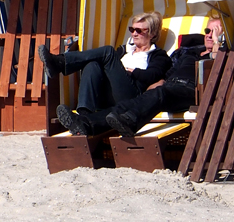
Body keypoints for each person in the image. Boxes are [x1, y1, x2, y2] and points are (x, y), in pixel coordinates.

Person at [54, 18, 225, 139]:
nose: (210, 35)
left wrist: (219, 43)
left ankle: (131, 122)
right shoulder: (187, 52)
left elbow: (219, 66)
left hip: (192, 90)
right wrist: (159, 83)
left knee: (157, 96)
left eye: (215, 32)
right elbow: (168, 71)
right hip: (169, 87)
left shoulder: (223, 54)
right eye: (208, 31)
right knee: (126, 106)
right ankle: (86, 123)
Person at [38, 11, 172, 115]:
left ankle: (60, 62)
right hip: (108, 95)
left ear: (153, 34)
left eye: (139, 30)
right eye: (132, 30)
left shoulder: (158, 55)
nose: (134, 34)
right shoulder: (124, 50)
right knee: (92, 65)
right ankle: (84, 113)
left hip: (131, 96)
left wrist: (132, 72)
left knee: (108, 51)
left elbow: (153, 75)